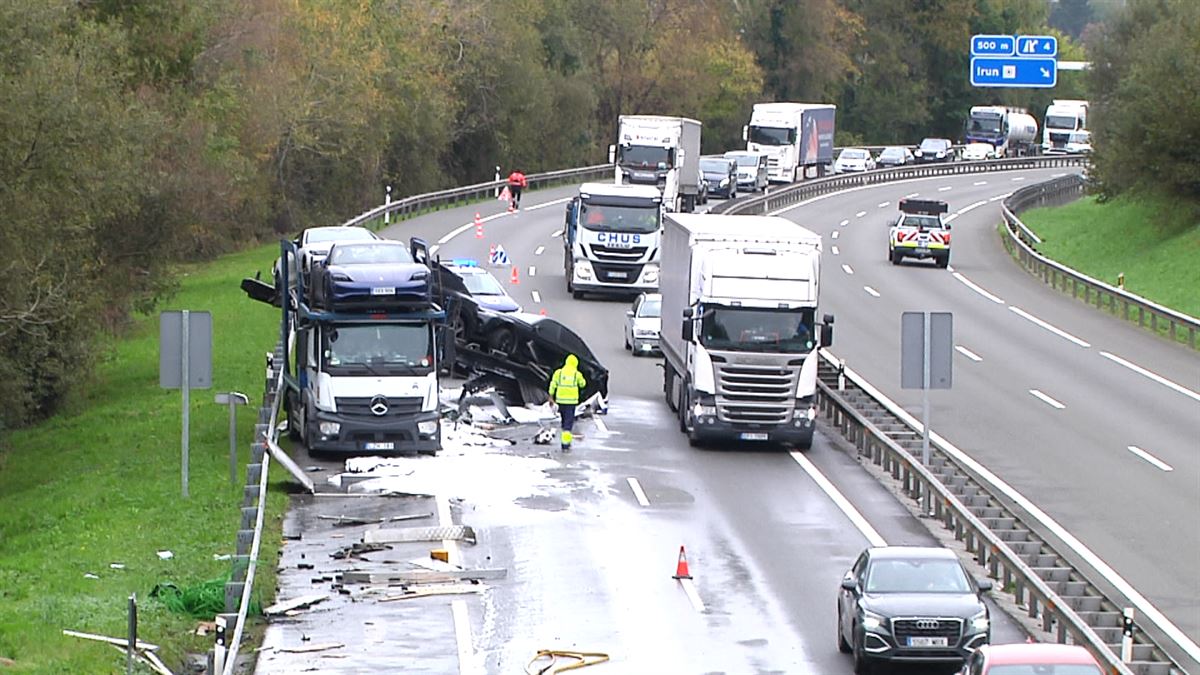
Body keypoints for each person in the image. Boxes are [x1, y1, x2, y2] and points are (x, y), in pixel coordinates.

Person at [548, 354, 587, 451]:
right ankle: (565, 444)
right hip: (571, 402)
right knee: (568, 424)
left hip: (560, 401)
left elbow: (553, 384)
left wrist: (551, 396)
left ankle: (566, 440)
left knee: (564, 421)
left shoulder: (559, 373)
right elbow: (583, 384)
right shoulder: (576, 374)